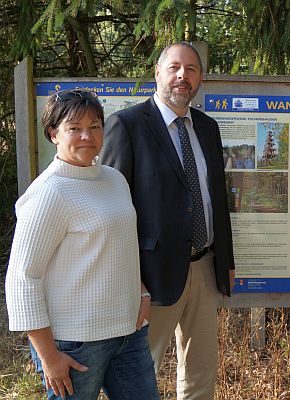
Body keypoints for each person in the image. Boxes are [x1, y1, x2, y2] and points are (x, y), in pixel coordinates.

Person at [101, 42, 236, 400]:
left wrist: (227, 261)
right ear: (157, 73)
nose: (182, 75)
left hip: (205, 267)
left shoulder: (207, 127)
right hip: (151, 275)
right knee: (139, 372)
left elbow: (216, 200)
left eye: (191, 69)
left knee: (201, 370)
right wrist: (132, 280)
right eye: (174, 67)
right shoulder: (127, 125)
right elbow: (114, 211)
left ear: (200, 78)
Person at [5, 89, 159, 400]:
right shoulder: (49, 194)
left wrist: (141, 292)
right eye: (74, 128)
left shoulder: (115, 180)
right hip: (75, 345)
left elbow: (120, 248)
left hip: (129, 334)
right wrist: (49, 357)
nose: (86, 136)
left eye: (95, 126)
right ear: (53, 134)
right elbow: (22, 279)